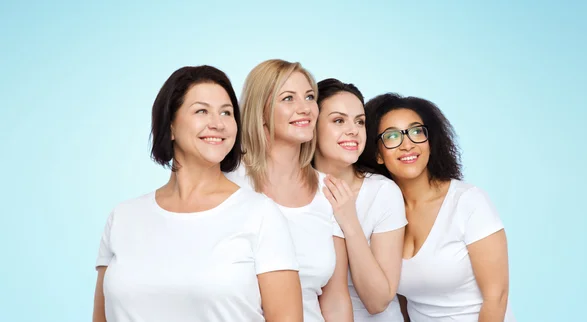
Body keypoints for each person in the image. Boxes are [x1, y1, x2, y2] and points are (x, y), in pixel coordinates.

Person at [92, 65, 303, 322]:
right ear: (170, 125)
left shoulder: (260, 215)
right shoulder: (123, 217)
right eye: (202, 111)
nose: (218, 124)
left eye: (226, 113)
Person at [358, 93, 515, 322]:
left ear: (430, 142)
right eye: (392, 136)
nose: (408, 144)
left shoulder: (468, 201)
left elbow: (496, 298)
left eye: (416, 131)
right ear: (378, 155)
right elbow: (400, 302)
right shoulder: (384, 214)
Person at [225, 59, 353, 322]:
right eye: (288, 98)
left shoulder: (328, 191)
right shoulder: (228, 184)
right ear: (260, 111)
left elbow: (335, 298)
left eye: (309, 96)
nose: (304, 108)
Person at [312, 78, 408, 321]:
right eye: (338, 120)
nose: (353, 130)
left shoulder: (383, 193)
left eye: (360, 121)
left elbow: (378, 301)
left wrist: (349, 221)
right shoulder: (292, 188)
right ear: (311, 126)